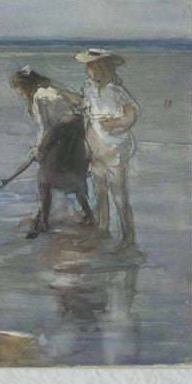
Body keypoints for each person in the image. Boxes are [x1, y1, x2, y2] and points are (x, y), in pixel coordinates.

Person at [6, 67, 94, 238]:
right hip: (75, 134)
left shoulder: (39, 96)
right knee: (74, 175)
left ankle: (43, 222)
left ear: (26, 86)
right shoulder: (50, 90)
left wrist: (39, 149)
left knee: (44, 178)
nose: (21, 95)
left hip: (61, 136)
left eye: (20, 91)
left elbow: (48, 126)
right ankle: (89, 214)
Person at [76, 47, 141, 251]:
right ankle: (103, 228)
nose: (88, 70)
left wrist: (114, 122)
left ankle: (128, 237)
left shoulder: (116, 91)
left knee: (119, 193)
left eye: (91, 66)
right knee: (100, 190)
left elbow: (132, 114)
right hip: (97, 147)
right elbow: (84, 109)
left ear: (102, 68)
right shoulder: (89, 89)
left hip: (115, 149)